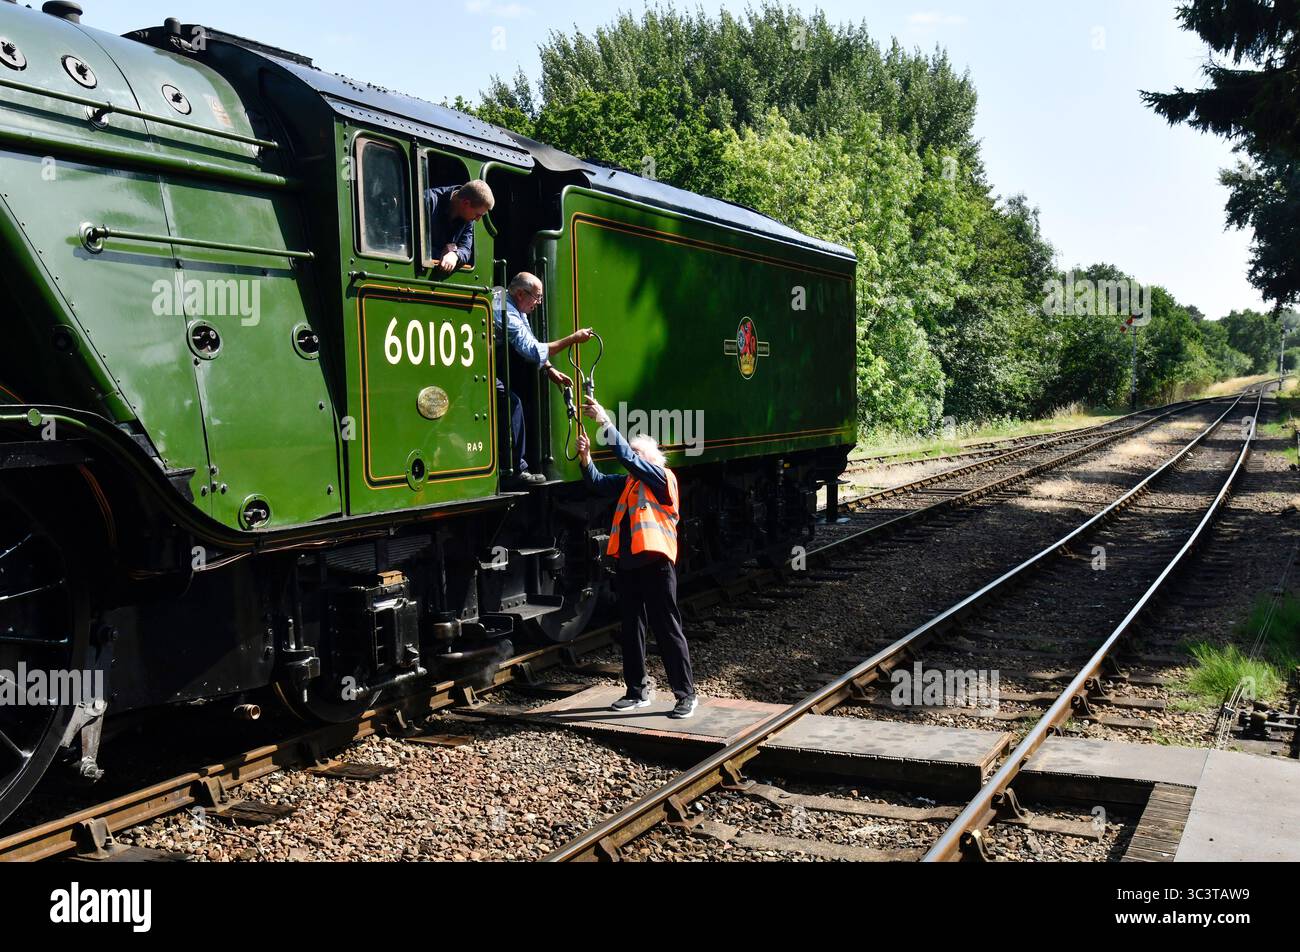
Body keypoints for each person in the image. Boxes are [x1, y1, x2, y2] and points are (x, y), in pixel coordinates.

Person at [577, 402, 697, 719]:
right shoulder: (630, 484)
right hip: (629, 565)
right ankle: (636, 691)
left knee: (667, 628)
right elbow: (598, 483)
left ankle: (686, 695)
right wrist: (586, 458)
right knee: (631, 628)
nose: (633, 461)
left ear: (650, 460)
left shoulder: (662, 478)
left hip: (656, 565)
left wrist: (604, 421)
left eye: (637, 455)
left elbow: (627, 459)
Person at [498, 272, 594, 487]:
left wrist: (549, 369)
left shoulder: (509, 301)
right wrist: (573, 339)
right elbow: (531, 350)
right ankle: (515, 470)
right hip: (478, 368)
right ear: (521, 293)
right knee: (511, 403)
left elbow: (529, 338)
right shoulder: (506, 311)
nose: (539, 303)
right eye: (537, 297)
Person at [425, 179, 493, 275]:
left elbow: (466, 249)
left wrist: (455, 255)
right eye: (478, 215)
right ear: (466, 203)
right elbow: (410, 243)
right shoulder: (428, 202)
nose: (478, 219)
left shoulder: (468, 217)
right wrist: (441, 253)